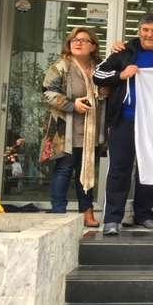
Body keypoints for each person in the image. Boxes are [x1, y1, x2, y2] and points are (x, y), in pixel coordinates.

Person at [93, 13, 153, 235]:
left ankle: (144, 215)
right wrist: (121, 75)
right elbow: (97, 75)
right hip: (124, 120)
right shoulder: (125, 51)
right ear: (139, 32)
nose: (150, 34)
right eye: (145, 30)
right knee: (119, 169)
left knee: (149, 169)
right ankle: (112, 218)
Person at [42, 27, 106, 227]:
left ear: (93, 46)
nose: (78, 43)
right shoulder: (61, 66)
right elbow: (47, 92)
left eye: (84, 40)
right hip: (66, 130)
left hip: (91, 130)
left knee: (87, 171)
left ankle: (87, 212)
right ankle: (58, 214)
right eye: (74, 40)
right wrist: (72, 104)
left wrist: (104, 92)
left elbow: (107, 92)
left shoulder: (100, 68)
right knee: (64, 169)